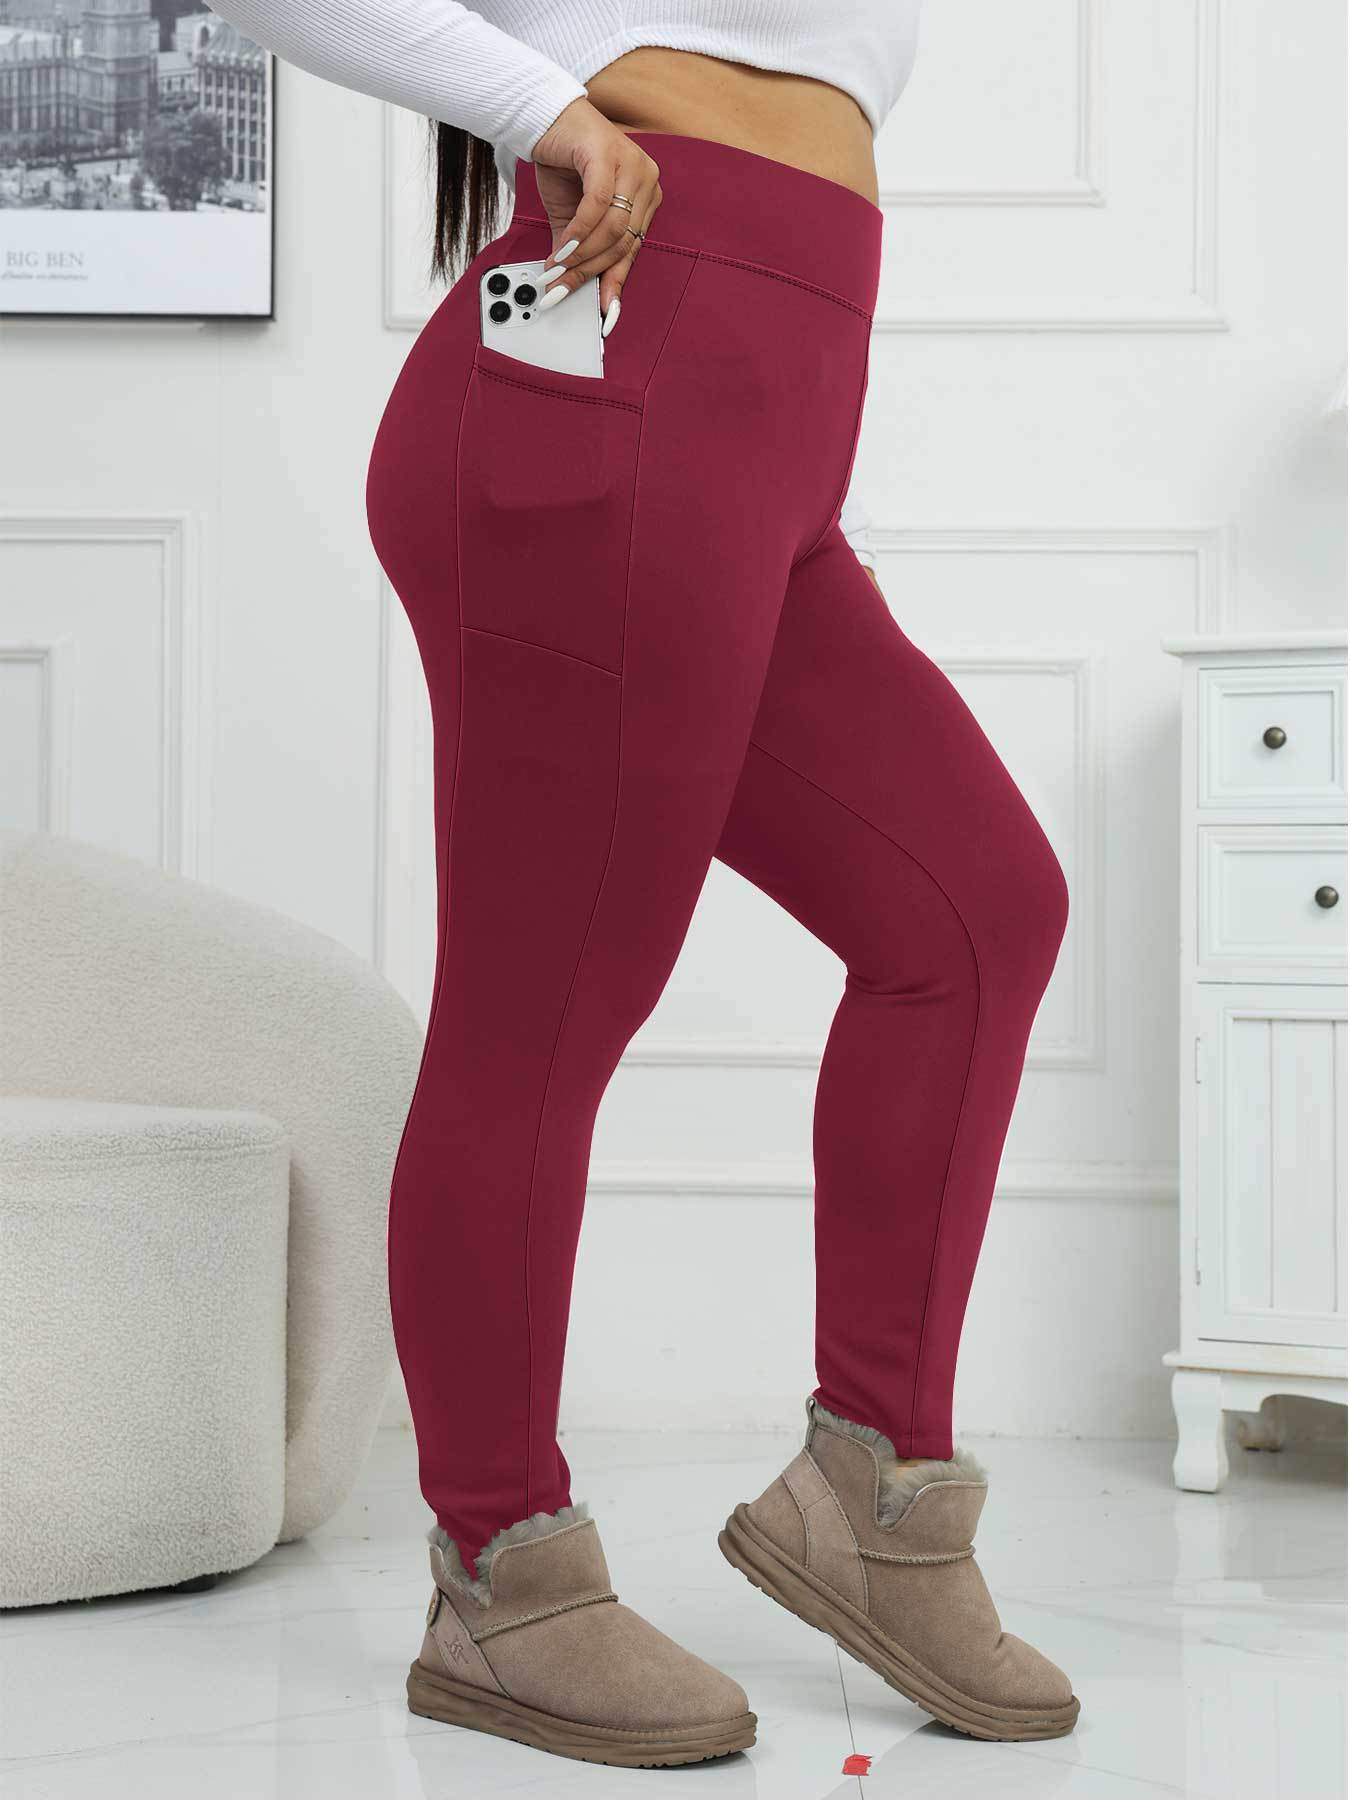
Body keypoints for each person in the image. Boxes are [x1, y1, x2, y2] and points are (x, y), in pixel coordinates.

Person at [206, 0, 1081, 1767]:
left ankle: (874, 1499)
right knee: (543, 1009)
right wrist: (536, 105)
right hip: (609, 388)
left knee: (975, 913)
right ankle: (502, 1569)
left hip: (753, 432)